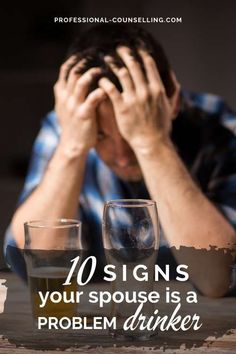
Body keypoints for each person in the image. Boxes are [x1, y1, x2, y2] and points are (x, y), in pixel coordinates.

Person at [4, 24, 236, 296]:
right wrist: (72, 146)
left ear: (171, 99)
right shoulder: (68, 126)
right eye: (101, 136)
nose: (123, 158)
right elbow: (36, 265)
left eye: (130, 135)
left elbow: (217, 279)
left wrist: (152, 143)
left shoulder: (217, 125)